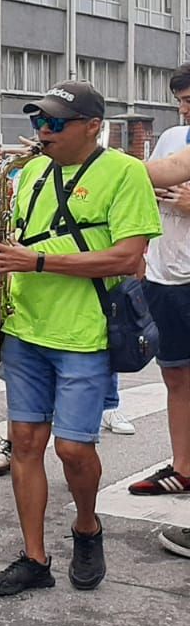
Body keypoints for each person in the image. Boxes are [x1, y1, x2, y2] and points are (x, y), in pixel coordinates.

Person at [0, 81, 159, 597]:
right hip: (24, 326)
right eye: (39, 121)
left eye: (55, 123)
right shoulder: (30, 171)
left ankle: (87, 526)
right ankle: (34, 558)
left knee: (74, 449)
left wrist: (36, 261)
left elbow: (128, 257)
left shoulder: (125, 172)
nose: (42, 131)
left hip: (85, 331)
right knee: (26, 444)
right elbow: (20, 242)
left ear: (92, 126)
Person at [131, 64, 190, 559]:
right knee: (175, 376)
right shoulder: (172, 135)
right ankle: (182, 467)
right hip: (163, 273)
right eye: (181, 100)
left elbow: (161, 177)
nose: (186, 109)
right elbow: (150, 185)